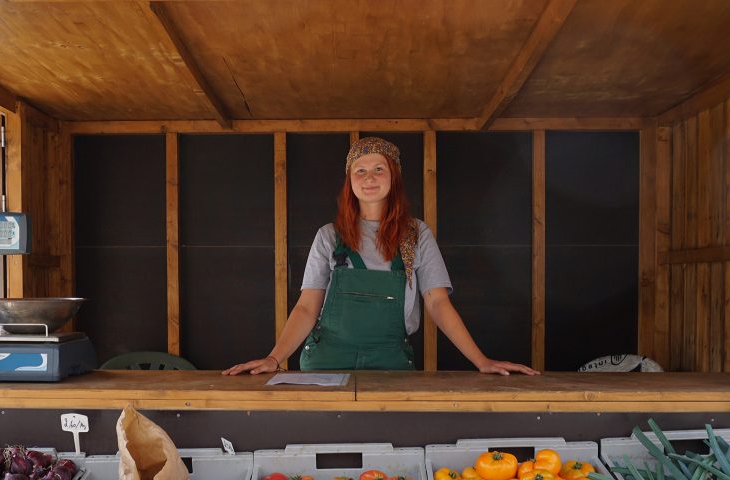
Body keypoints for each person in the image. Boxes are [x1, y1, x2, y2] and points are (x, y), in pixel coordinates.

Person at [223, 137, 538, 377]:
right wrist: (274, 358)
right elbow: (307, 307)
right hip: (326, 361)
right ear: (350, 182)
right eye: (360, 170)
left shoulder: (415, 235)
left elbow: (438, 303)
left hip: (390, 360)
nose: (369, 177)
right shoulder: (329, 236)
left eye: (378, 169)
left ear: (394, 178)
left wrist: (481, 361)